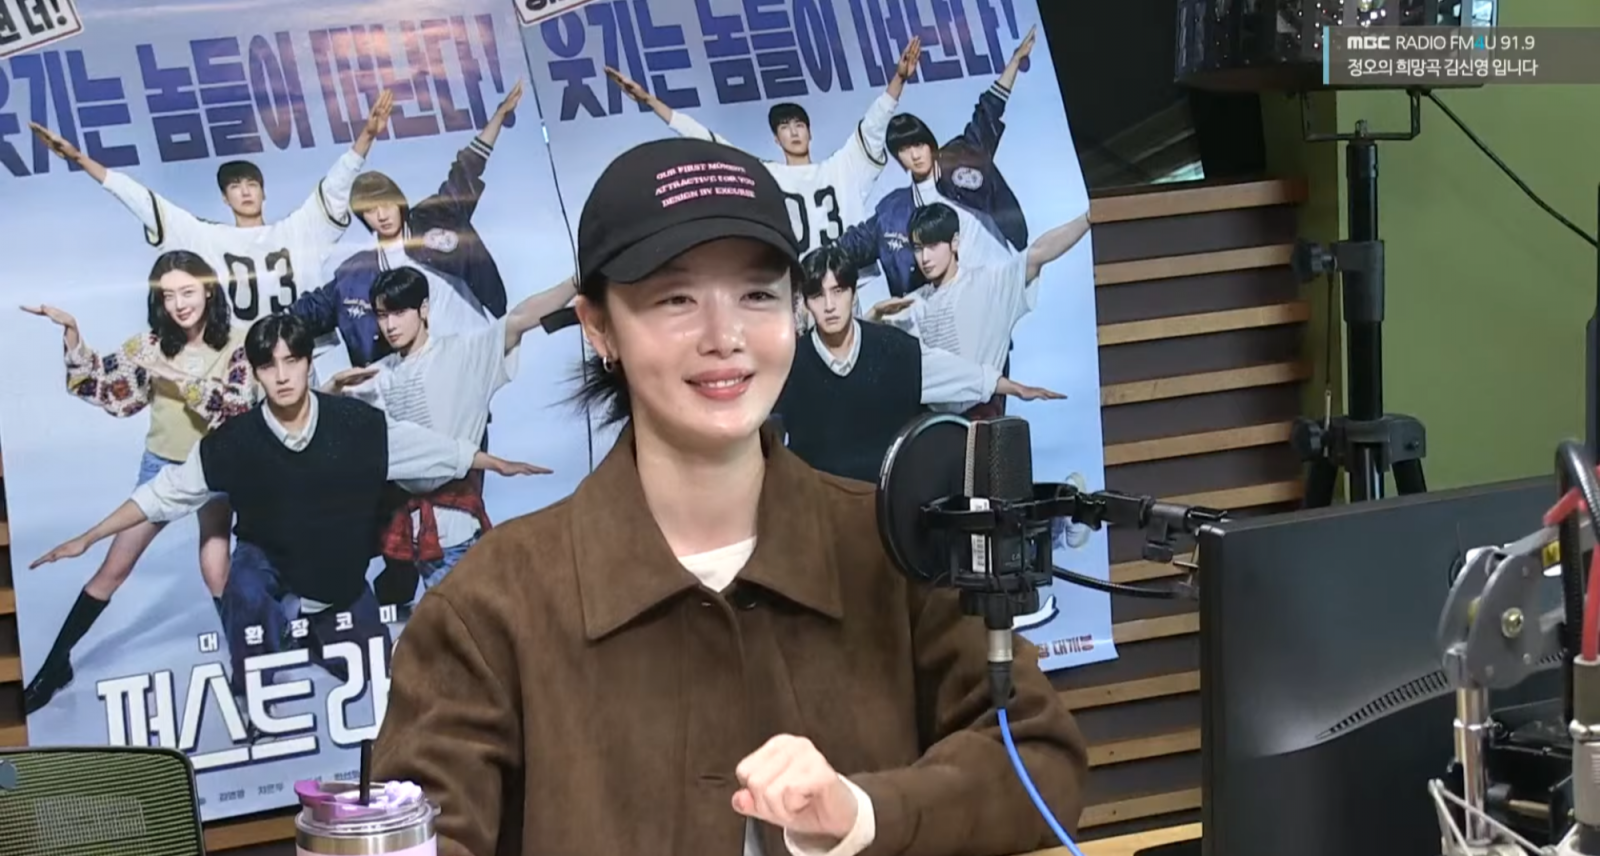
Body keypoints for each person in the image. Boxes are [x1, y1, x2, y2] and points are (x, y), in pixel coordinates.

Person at [370, 136, 1087, 856]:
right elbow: (422, 831)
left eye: (757, 295)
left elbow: (1036, 760)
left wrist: (863, 813)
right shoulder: (490, 607)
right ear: (599, 327)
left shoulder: (896, 546)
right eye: (675, 298)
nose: (725, 336)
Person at [30, 313, 543, 714]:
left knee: (377, 674)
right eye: (269, 366)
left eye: (291, 361)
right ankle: (250, 680)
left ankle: (321, 632)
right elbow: (162, 494)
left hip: (336, 573)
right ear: (255, 373)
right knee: (243, 586)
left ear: (307, 363)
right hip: (268, 559)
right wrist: (89, 537)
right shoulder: (233, 442)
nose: (281, 376)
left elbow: (424, 448)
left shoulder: (354, 423)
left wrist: (493, 462)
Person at [17, 250, 257, 714]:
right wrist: (73, 334)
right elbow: (105, 387)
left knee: (215, 567)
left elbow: (236, 409)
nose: (179, 304)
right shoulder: (151, 344)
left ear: (209, 289)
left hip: (215, 467)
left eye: (187, 291)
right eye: (167, 296)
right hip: (162, 467)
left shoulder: (241, 342)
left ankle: (245, 667)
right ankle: (54, 667)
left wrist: (175, 376)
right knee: (113, 568)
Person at [29, 92, 395, 376]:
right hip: (240, 364)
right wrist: (79, 159)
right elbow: (141, 200)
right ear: (224, 197)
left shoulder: (298, 230)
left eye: (252, 184)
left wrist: (366, 136)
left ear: (263, 191)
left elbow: (336, 185)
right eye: (235, 186)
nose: (245, 192)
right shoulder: (206, 238)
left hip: (305, 358)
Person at [322, 266, 572, 613]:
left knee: (472, 626)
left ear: (424, 309)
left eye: (399, 312)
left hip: (455, 528)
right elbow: (319, 419)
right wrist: (332, 387)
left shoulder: (462, 353)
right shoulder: (379, 375)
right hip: (409, 534)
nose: (390, 325)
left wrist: (575, 282)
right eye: (381, 315)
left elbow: (520, 318)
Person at [773, 244, 1062, 482]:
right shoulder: (788, 363)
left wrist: (1013, 387)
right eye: (817, 295)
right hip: (819, 511)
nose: (829, 305)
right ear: (805, 303)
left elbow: (953, 373)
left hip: (886, 503)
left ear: (853, 292)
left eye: (838, 291)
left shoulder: (892, 348)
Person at [605, 37, 920, 254]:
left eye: (799, 125)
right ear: (776, 139)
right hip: (796, 289)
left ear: (810, 132)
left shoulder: (841, 169)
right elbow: (710, 142)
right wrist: (650, 102)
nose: (793, 132)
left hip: (846, 286)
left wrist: (899, 79)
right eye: (785, 127)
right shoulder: (767, 176)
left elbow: (874, 123)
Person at [289, 82, 523, 369]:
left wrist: (498, 117)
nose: (381, 215)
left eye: (386, 204)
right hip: (417, 374)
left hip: (472, 352)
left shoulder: (436, 217)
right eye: (370, 210)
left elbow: (467, 168)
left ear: (398, 200)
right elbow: (312, 310)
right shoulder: (358, 273)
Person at [836, 28, 1036, 298]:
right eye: (904, 150)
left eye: (918, 144)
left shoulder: (962, 157)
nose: (915, 155)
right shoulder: (894, 210)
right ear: (898, 159)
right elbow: (856, 244)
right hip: (946, 304)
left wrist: (1014, 62)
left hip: (995, 286)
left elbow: (988, 110)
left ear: (930, 143)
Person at [870, 202, 1090, 418]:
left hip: (982, 415)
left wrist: (1088, 219)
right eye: (918, 249)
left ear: (954, 242)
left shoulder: (988, 283)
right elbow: (867, 342)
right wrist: (874, 315)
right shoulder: (913, 303)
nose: (925, 258)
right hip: (931, 423)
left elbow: (1038, 253)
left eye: (933, 245)